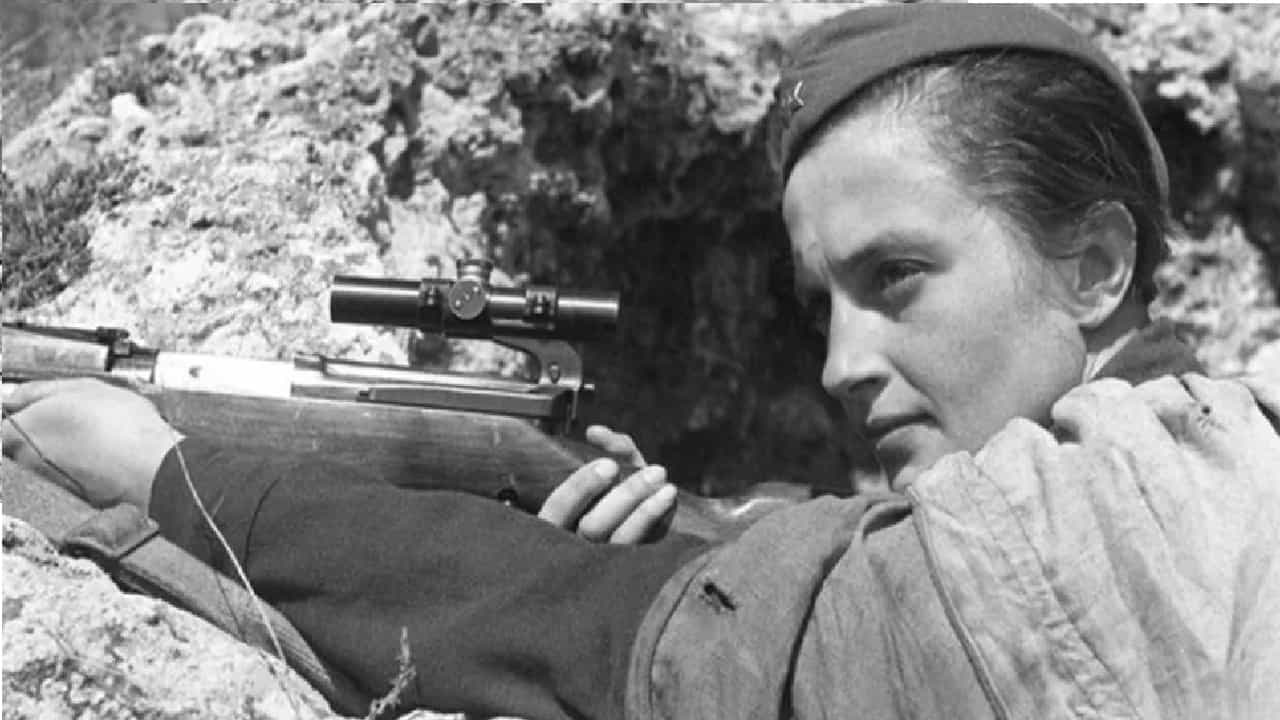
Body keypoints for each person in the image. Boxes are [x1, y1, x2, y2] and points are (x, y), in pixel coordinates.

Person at [4, 4, 1279, 719]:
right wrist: (702, 542)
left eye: (895, 276)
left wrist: (163, 469)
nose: (840, 364)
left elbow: (601, 636)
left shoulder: (1123, 517)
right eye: (819, 304)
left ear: (1093, 264)